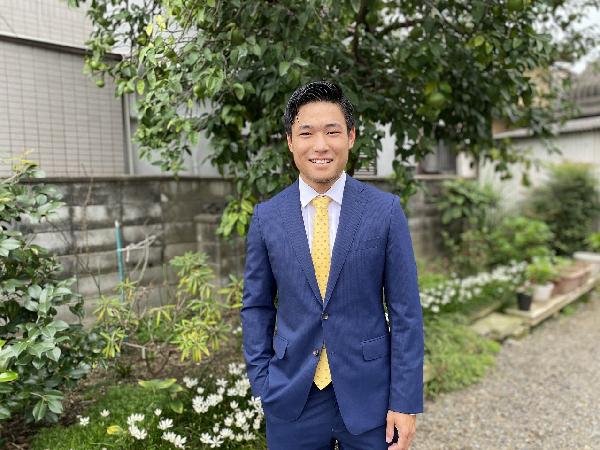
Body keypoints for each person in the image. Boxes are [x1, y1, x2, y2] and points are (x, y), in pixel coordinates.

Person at [240, 80, 424, 450]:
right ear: (290, 141)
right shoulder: (267, 217)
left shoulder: (385, 211)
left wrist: (404, 401)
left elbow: (406, 312)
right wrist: (263, 381)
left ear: (351, 137)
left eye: (332, 131)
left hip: (370, 395)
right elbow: (256, 306)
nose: (320, 145)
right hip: (292, 396)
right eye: (306, 132)